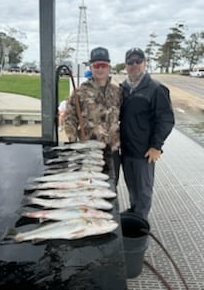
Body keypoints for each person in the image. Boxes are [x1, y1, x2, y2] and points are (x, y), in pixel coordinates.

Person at [120, 47, 175, 220]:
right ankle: (134, 210)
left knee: (143, 189)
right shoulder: (123, 89)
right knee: (131, 185)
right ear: (126, 65)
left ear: (144, 63)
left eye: (138, 61)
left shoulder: (156, 89)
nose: (134, 65)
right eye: (130, 62)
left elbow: (166, 119)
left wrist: (156, 146)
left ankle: (141, 220)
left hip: (144, 151)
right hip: (126, 149)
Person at [64, 47, 121, 182]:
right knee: (90, 191)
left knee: (111, 188)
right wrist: (74, 142)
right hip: (89, 150)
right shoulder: (80, 92)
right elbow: (69, 118)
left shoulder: (117, 92)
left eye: (103, 65)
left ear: (109, 67)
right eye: (96, 65)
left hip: (112, 150)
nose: (100, 69)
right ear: (91, 67)